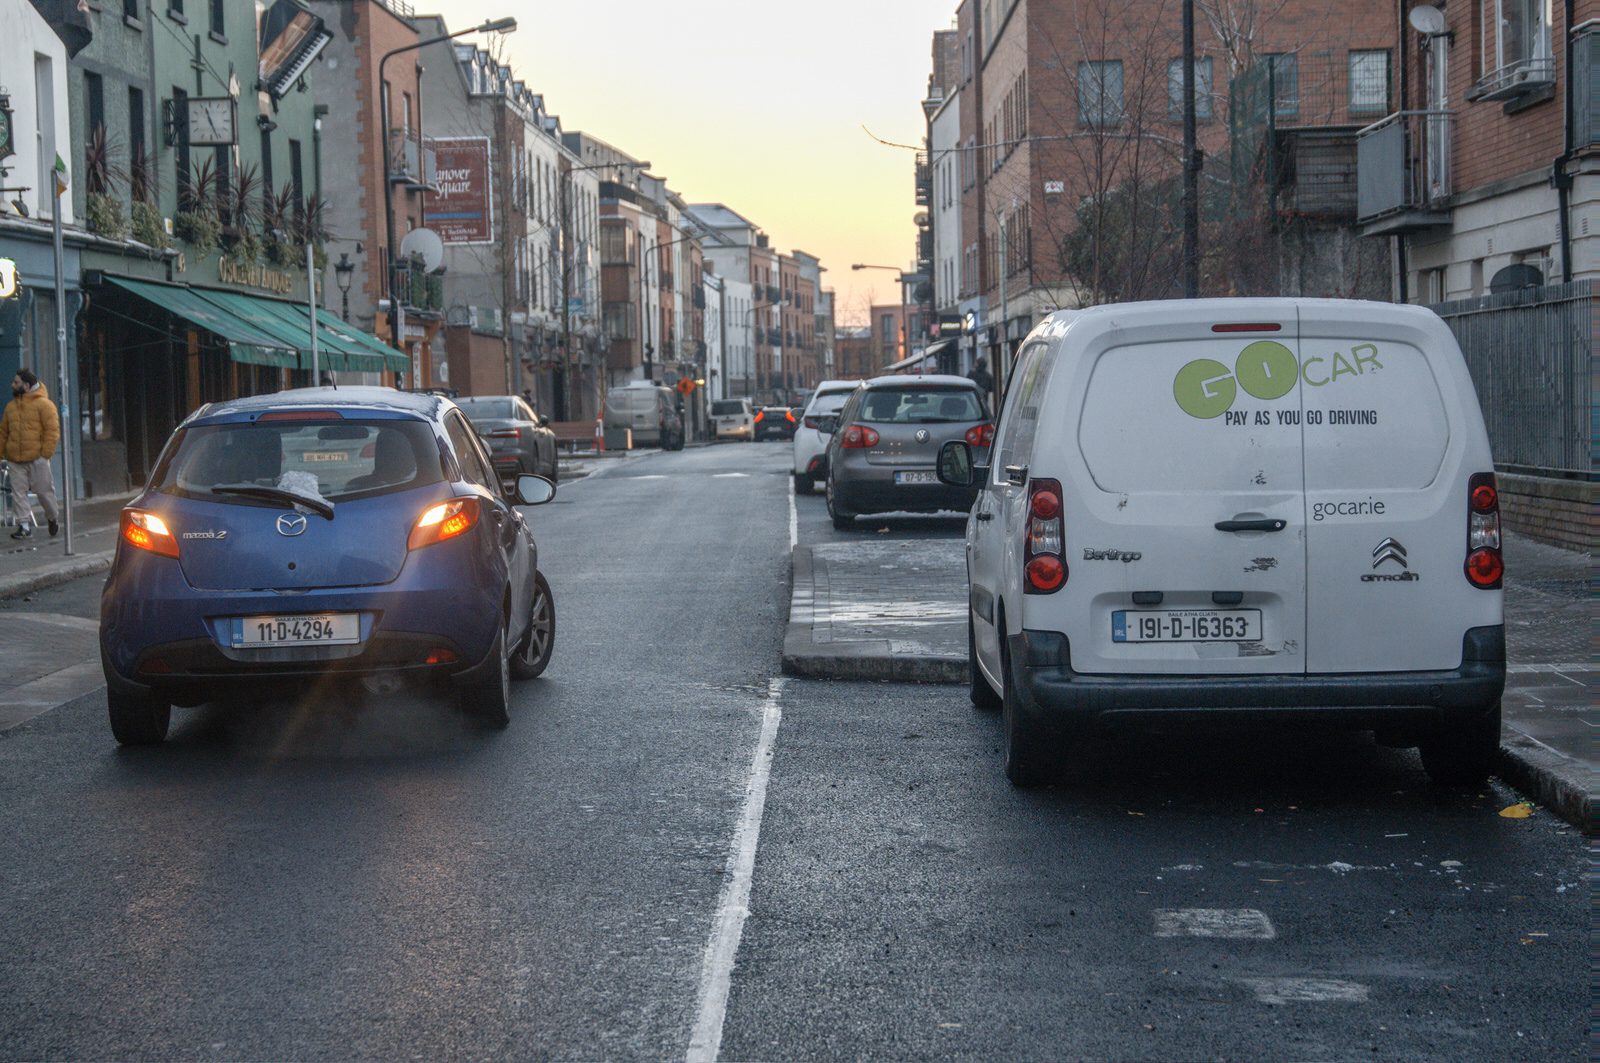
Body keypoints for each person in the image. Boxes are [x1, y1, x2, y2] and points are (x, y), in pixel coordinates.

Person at [0, 368, 62, 539]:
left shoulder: (45, 405)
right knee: (18, 493)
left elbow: (52, 431)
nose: (12, 385)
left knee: (44, 492)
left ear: (26, 386)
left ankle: (52, 517)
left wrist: (45, 455)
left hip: (37, 458)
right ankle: (24, 526)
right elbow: (3, 432)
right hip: (15, 459)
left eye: (16, 382)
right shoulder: (11, 407)